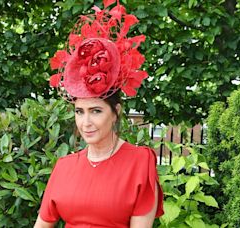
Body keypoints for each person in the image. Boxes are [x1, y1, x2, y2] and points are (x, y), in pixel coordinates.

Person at [34, 0, 164, 227]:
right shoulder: (64, 167)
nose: (86, 123)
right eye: (79, 111)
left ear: (116, 112)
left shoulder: (140, 162)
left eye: (95, 111)